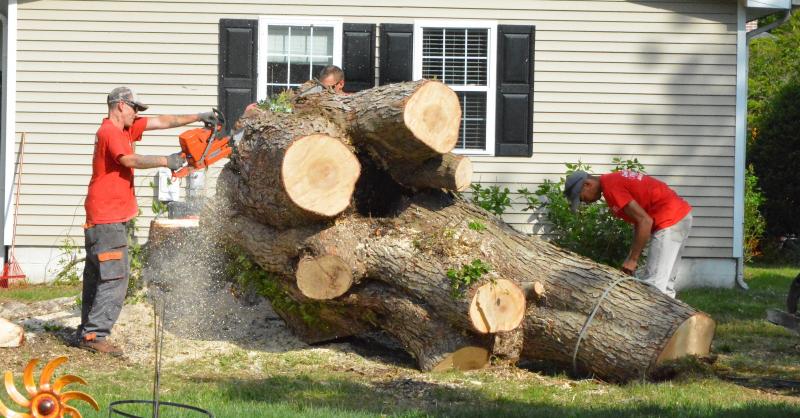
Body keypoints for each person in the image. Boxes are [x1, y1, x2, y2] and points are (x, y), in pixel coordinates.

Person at [77, 86, 216, 355]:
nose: (137, 114)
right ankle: (95, 336)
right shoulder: (110, 132)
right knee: (115, 277)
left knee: (97, 276)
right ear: (120, 106)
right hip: (107, 217)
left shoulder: (126, 129)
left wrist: (199, 116)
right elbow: (128, 159)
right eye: (134, 108)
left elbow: (164, 121)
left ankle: (88, 331)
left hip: (104, 215)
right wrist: (167, 160)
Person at [563, 169, 693, 298]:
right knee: (666, 285)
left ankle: (650, 317)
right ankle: (675, 317)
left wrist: (633, 259)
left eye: (581, 198)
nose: (585, 202)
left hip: (669, 219)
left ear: (587, 184)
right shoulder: (612, 181)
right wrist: (631, 257)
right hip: (680, 215)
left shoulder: (611, 187)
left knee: (654, 287)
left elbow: (645, 221)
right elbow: (639, 221)